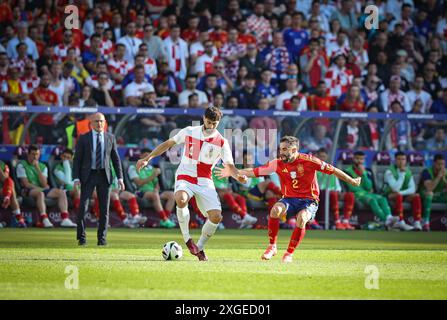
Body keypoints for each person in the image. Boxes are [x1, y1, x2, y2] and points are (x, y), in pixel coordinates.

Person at [217, 136, 361, 263]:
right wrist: (233, 172)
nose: (282, 153)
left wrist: (352, 181)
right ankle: (272, 246)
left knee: (302, 218)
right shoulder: (277, 163)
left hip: (309, 200)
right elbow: (255, 172)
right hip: (290, 199)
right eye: (281, 149)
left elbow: (333, 170)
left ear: (294, 150)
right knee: (275, 210)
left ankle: (289, 253)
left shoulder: (310, 161)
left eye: (285, 149)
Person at [136, 107, 247, 261]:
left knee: (216, 217)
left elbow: (230, 166)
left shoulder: (222, 142)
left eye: (215, 123)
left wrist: (238, 176)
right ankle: (188, 240)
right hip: (185, 175)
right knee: (181, 199)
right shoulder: (189, 131)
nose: (211, 126)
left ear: (218, 122)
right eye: (209, 122)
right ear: (203, 118)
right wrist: (147, 158)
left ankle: (199, 247)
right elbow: (168, 143)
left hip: (205, 180)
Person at [73, 113, 124, 246]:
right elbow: (77, 159)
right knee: (83, 207)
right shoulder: (84, 138)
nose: (99, 124)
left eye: (101, 121)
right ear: (91, 123)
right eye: (96, 121)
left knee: (104, 209)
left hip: (104, 175)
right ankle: (81, 237)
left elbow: (115, 159)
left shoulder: (110, 137)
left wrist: (120, 178)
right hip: (88, 175)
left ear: (105, 122)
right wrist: (76, 178)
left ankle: (102, 239)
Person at [17, 145, 77, 228]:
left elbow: (44, 183)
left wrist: (37, 167)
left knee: (61, 192)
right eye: (33, 154)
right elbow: (26, 184)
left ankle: (65, 219)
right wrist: (42, 189)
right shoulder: (21, 165)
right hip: (27, 190)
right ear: (28, 154)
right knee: (40, 194)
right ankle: (44, 219)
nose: (35, 156)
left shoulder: (42, 166)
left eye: (37, 154)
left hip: (41, 188)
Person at [344, 151, 400, 229]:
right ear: (353, 159)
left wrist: (363, 174)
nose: (359, 161)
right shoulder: (347, 171)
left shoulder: (368, 172)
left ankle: (389, 217)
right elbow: (352, 188)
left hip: (367, 193)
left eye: (361, 159)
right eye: (357, 158)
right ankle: (386, 220)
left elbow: (369, 187)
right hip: (357, 194)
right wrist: (365, 190)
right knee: (372, 200)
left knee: (382, 198)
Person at [128, 148, 176, 228]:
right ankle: (165, 219)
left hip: (152, 192)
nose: (148, 158)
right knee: (155, 195)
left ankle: (164, 219)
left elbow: (156, 184)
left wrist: (156, 189)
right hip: (140, 192)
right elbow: (139, 183)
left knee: (171, 195)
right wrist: (153, 175)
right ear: (141, 156)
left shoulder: (151, 169)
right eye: (146, 156)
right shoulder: (133, 168)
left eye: (150, 157)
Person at [315, 148, 355, 230]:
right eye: (321, 156)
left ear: (327, 157)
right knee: (333, 194)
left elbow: (337, 185)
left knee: (350, 195)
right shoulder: (314, 170)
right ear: (317, 157)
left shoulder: (330, 169)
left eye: (324, 156)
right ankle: (337, 221)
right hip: (322, 193)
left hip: (333, 192)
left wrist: (339, 191)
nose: (322, 158)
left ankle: (345, 221)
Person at [383, 152, 420, 231]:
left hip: (401, 194)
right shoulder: (389, 172)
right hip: (390, 195)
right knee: (398, 195)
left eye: (403, 159)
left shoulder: (408, 172)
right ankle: (401, 221)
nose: (401, 161)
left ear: (406, 161)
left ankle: (417, 222)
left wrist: (401, 193)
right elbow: (395, 189)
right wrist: (402, 174)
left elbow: (412, 189)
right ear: (395, 160)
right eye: (399, 159)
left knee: (416, 196)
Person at [418, 154, 447, 232]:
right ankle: (426, 222)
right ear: (434, 163)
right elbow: (430, 188)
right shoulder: (426, 172)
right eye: (439, 164)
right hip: (425, 195)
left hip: (439, 195)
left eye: (443, 164)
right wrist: (438, 177)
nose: (441, 166)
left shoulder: (445, 173)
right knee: (430, 193)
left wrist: (443, 179)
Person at [53, 149, 80, 213]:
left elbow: (78, 180)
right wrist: (66, 164)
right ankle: (78, 211)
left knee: (94, 191)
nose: (66, 159)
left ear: (71, 159)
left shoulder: (73, 168)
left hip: (75, 188)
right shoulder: (57, 169)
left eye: (68, 158)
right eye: (64, 157)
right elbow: (67, 181)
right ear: (61, 156)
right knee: (77, 189)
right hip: (65, 190)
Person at [0, 160, 26, 227]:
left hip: (2, 190)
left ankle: (7, 197)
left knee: (10, 182)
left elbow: (5, 179)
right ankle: (18, 217)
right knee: (10, 188)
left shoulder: (3, 165)